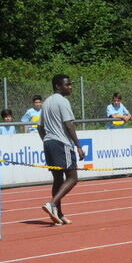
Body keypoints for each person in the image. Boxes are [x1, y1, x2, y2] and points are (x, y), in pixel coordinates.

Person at [39, 74, 86, 226]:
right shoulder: (63, 101)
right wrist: (78, 146)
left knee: (58, 179)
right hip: (61, 143)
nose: (70, 87)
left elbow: (40, 127)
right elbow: (69, 125)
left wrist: (47, 140)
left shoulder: (46, 102)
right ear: (58, 86)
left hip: (49, 143)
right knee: (73, 177)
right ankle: (52, 204)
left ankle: (58, 214)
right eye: (67, 85)